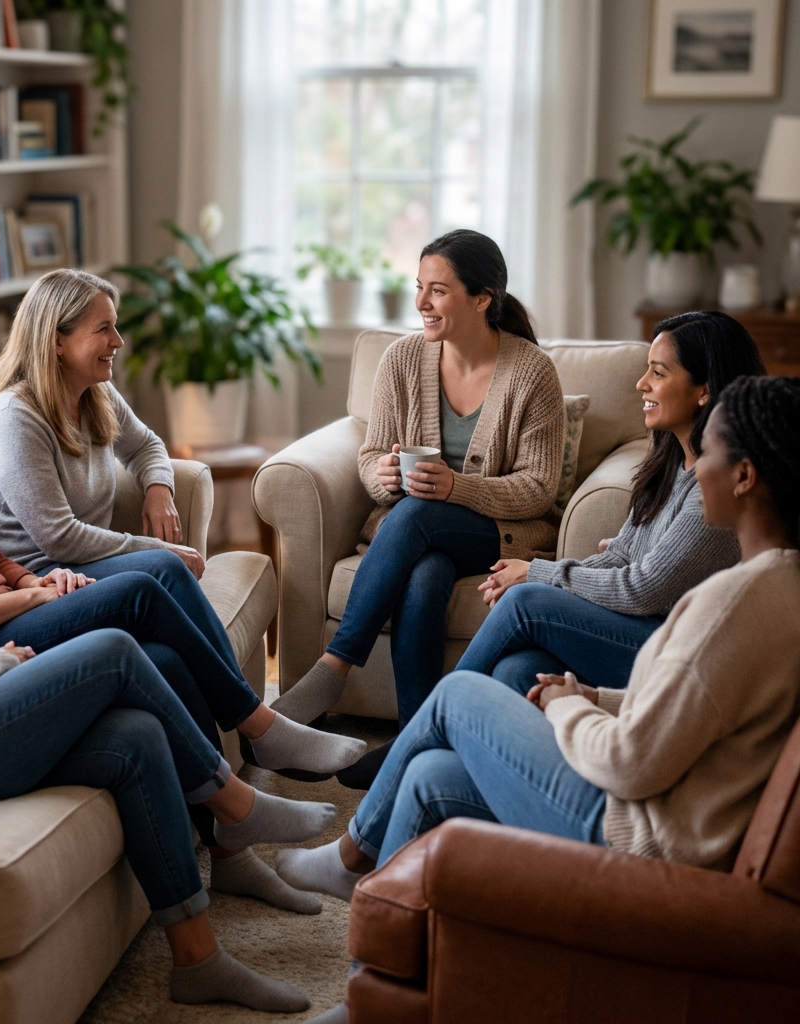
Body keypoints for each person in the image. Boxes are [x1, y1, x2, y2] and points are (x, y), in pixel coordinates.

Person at [0, 351, 343, 1012]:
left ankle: (198, 958)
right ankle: (238, 803)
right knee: (111, 648)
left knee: (133, 734)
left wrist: (18, 605)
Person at [280, 374, 800, 1024]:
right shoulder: (780, 586)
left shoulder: (731, 604)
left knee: (460, 696)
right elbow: (685, 712)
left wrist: (564, 709)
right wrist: (587, 693)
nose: (694, 467)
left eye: (707, 454)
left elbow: (631, 761)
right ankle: (372, 999)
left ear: (746, 476)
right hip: (665, 808)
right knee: (431, 776)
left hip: (639, 836)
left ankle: (351, 852)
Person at [274, 229, 567, 788]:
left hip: (498, 531)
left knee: (416, 515)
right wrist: (380, 474)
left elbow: (537, 489)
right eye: (419, 288)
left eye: (437, 291)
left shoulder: (532, 372)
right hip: (424, 533)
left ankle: (332, 670)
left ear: (482, 299)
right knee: (425, 575)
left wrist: (457, 488)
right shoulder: (403, 359)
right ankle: (414, 743)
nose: (421, 304)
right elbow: (367, 454)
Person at [456, 310, 761, 696]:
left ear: (705, 390)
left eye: (659, 373)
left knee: (524, 602)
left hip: (681, 651)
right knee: (518, 670)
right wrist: (550, 574)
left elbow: (643, 588)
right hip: (643, 632)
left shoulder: (715, 488)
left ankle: (417, 738)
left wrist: (538, 574)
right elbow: (620, 556)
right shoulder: (669, 464)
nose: (641, 384)